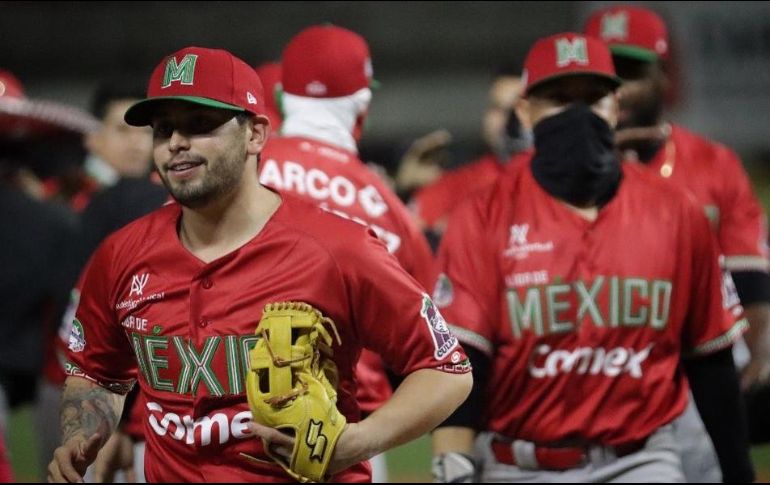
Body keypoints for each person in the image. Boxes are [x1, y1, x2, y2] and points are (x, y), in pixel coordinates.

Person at [47, 46, 472, 483]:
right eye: (163, 128)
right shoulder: (121, 254)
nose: (176, 142)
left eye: (200, 124)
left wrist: (360, 441)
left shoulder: (337, 248)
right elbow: (96, 373)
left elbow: (446, 370)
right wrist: (83, 434)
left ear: (255, 134)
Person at [430, 32, 753, 483]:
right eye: (560, 99)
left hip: (642, 462)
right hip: (519, 467)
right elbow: (463, 359)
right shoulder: (483, 215)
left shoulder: (677, 213)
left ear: (616, 106)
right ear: (525, 111)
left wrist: (738, 473)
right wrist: (453, 462)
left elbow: (711, 361)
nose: (578, 114)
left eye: (593, 98)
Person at [585, 6, 770, 480]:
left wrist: (758, 357)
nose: (618, 89)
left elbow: (749, 279)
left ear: (664, 76)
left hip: (694, 369)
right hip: (588, 368)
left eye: (632, 73)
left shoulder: (713, 164)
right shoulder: (563, 172)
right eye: (605, 76)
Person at [257, 25, 437, 482]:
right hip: (344, 437)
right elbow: (431, 339)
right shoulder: (387, 207)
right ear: (363, 104)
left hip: (219, 423)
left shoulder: (239, 172)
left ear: (279, 96)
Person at [408, 64, 532, 240]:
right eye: (497, 108)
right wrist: (401, 189)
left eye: (517, 109)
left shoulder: (558, 182)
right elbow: (407, 235)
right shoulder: (455, 185)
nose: (509, 120)